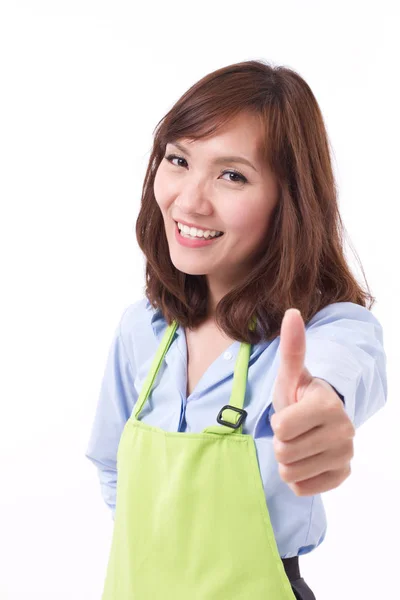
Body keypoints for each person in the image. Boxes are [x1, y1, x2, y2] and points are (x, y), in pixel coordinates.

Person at [85, 60, 388, 599]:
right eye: (178, 160)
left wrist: (320, 411)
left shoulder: (329, 328)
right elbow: (113, 467)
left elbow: (337, 377)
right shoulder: (143, 330)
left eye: (232, 175)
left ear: (288, 201)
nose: (189, 200)